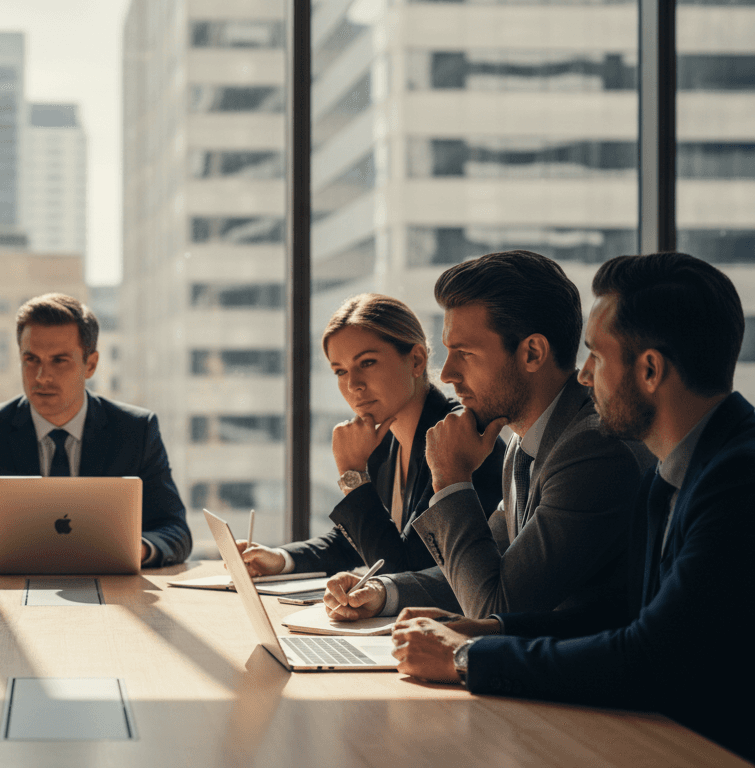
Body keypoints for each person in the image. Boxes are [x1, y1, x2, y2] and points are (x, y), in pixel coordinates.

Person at [389, 252, 753, 761]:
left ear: (649, 370)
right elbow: (624, 619)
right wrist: (491, 632)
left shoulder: (737, 480)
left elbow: (649, 657)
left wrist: (471, 657)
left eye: (597, 358)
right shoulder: (677, 474)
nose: (583, 377)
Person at [325, 250, 648, 621]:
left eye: (464, 353)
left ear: (532, 353)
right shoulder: (524, 444)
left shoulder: (592, 451)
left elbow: (495, 607)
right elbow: (480, 572)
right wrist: (384, 591)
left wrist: (450, 479)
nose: (445, 373)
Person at [237, 294, 503, 577]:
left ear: (416, 360)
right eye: (340, 371)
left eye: (367, 363)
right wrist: (281, 558)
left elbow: (405, 572)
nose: (353, 385)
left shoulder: (458, 438)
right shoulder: (384, 439)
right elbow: (357, 539)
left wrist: (352, 474)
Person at [0, 293, 192, 567]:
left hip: (113, 592)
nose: (42, 376)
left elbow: (176, 532)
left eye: (59, 360)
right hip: (12, 594)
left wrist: (136, 550)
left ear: (90, 365)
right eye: (31, 359)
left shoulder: (136, 431)